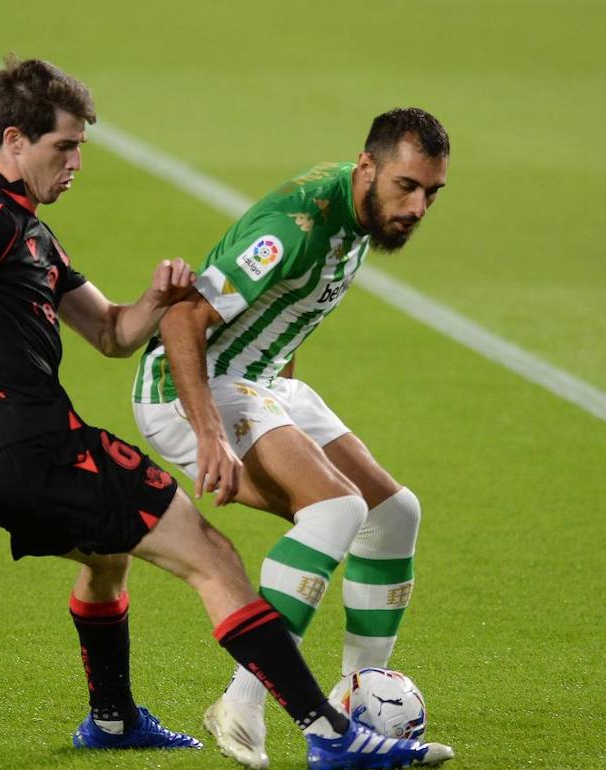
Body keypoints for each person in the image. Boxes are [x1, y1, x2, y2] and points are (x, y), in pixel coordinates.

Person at [0, 58, 452, 769]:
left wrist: (158, 298)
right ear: (13, 141)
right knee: (215, 559)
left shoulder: (36, 237)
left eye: (80, 150)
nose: (75, 165)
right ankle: (328, 733)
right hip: (34, 442)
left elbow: (111, 334)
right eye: (64, 148)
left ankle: (115, 718)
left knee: (108, 558)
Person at [131, 108, 451, 768]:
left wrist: (286, 418)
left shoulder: (364, 215)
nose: (417, 206)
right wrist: (212, 436)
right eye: (406, 186)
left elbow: (288, 312)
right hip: (194, 387)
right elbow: (182, 318)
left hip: (261, 379)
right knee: (335, 510)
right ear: (367, 166)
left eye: (431, 192)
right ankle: (241, 702)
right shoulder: (295, 227)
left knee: (393, 515)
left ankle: (358, 701)